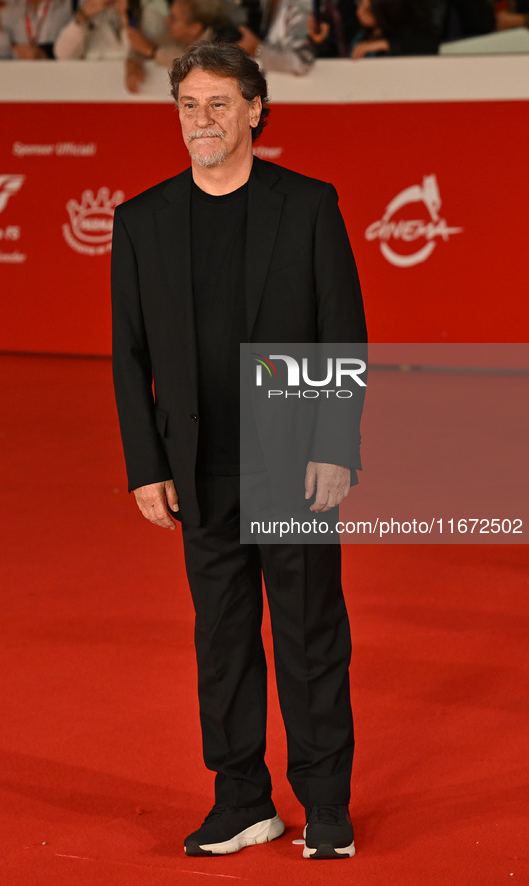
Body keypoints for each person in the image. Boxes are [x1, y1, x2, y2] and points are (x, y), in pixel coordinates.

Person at [111, 41, 367, 859]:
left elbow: (341, 334)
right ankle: (241, 800)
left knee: (307, 632)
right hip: (196, 468)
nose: (202, 120)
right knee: (221, 640)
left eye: (218, 103)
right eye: (188, 104)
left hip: (291, 460)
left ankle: (324, 804)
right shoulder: (141, 220)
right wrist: (145, 465)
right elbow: (129, 356)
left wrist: (336, 444)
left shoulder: (309, 205)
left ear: (256, 110)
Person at [351, 0, 438, 57]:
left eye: (369, 10)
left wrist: (385, 44)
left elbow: (428, 45)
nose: (359, 12)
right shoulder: (359, 34)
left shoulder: (413, 34)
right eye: (359, 3)